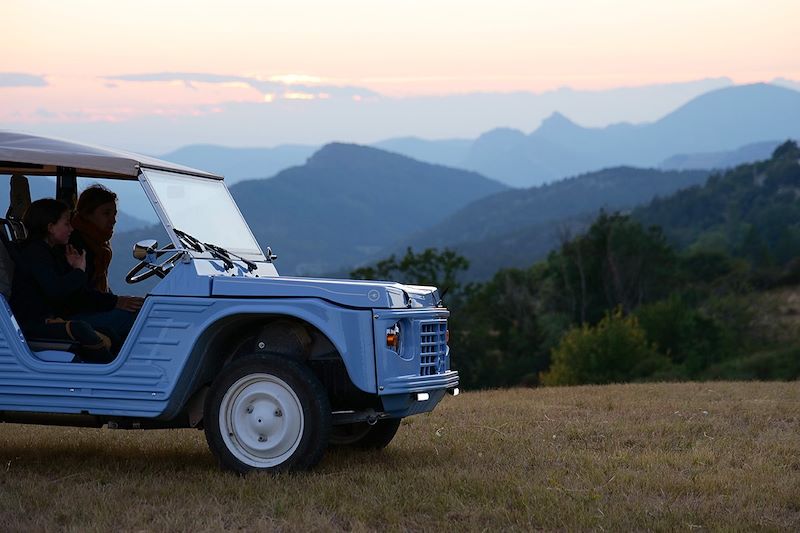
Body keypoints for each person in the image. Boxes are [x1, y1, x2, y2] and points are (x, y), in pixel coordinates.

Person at [9, 199, 131, 363]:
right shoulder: (35, 254)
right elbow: (56, 291)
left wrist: (74, 270)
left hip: (54, 317)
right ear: (50, 227)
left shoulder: (52, 252)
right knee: (91, 328)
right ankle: (113, 374)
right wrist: (79, 270)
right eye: (66, 224)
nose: (71, 229)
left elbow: (73, 293)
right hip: (36, 323)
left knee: (110, 333)